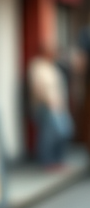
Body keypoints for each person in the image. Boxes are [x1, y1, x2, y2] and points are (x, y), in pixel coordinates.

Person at [26, 41, 74, 169]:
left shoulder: (52, 66)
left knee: (65, 131)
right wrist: (49, 102)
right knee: (49, 135)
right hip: (46, 107)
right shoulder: (37, 67)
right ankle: (48, 162)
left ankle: (58, 160)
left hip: (58, 106)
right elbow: (38, 88)